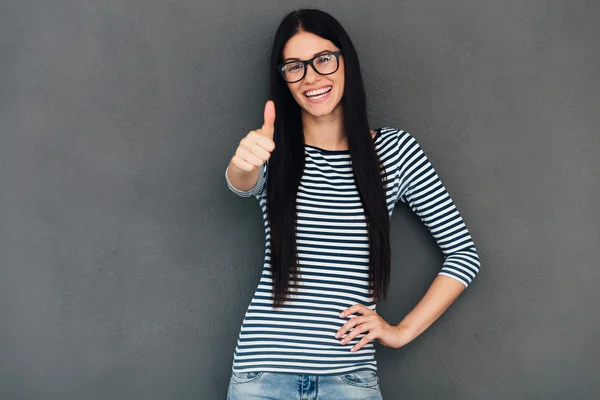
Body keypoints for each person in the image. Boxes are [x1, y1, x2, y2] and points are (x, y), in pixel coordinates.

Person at [224, 8, 481, 400]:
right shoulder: (270, 150)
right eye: (294, 66)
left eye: (323, 59)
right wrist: (242, 162)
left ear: (346, 61)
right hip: (262, 377)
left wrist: (400, 332)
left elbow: (464, 254)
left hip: (350, 382)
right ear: (284, 79)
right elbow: (241, 183)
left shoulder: (396, 152)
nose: (311, 77)